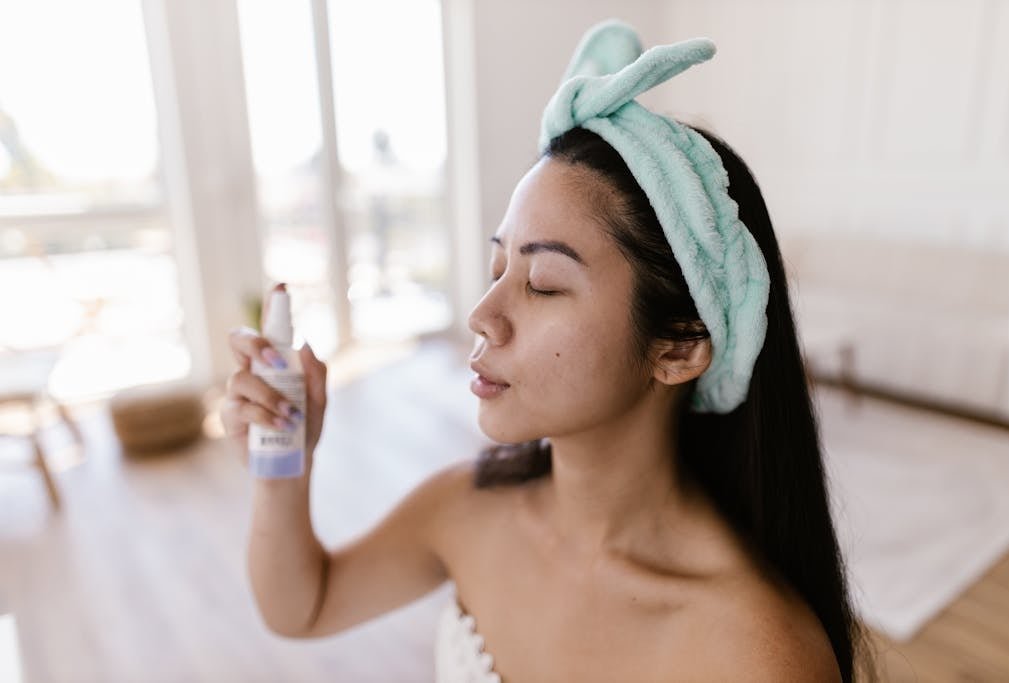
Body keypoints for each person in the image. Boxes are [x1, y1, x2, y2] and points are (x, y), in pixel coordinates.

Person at [221, 20, 874, 683]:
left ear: (679, 346)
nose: (482, 315)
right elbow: (303, 605)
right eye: (498, 267)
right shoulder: (467, 508)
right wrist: (283, 468)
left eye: (544, 285)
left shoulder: (757, 655)